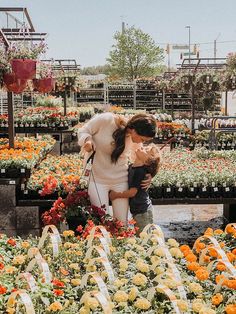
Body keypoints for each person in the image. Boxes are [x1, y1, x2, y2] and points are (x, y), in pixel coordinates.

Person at [77, 112, 157, 224]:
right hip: (97, 179)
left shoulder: (133, 139)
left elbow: (140, 159)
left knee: (121, 223)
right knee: (101, 221)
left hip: (120, 180)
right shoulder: (107, 119)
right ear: (135, 130)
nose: (142, 143)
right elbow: (83, 130)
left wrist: (149, 175)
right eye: (142, 139)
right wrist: (87, 140)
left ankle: (120, 241)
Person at [109, 144, 160, 233]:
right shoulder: (132, 167)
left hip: (143, 211)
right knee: (142, 235)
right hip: (138, 209)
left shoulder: (139, 171)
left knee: (144, 236)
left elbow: (132, 192)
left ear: (147, 161)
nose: (142, 147)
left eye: (146, 150)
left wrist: (116, 195)